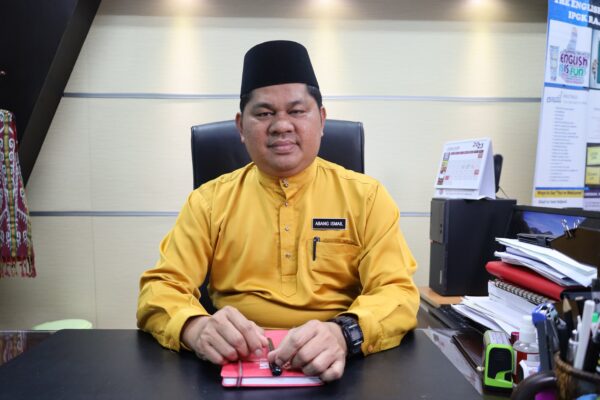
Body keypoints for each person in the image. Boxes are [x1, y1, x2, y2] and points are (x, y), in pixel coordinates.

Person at [137, 40, 419, 382]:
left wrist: (344, 333)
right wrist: (196, 328)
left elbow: (397, 292)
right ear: (241, 127)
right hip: (234, 362)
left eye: (297, 111)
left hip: (339, 363)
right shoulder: (208, 202)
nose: (281, 125)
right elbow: (160, 288)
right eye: (264, 113)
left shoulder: (367, 198)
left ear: (322, 120)